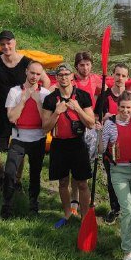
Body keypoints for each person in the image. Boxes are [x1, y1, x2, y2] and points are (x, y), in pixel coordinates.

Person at [0, 30, 51, 182]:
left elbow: (46, 81)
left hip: (21, 112)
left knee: (19, 151)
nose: (6, 47)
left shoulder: (26, 63)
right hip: (1, 113)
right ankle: (3, 173)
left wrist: (42, 101)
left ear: (15, 43)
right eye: (2, 44)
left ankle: (16, 180)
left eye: (9, 43)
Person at [42, 62, 96, 224]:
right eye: (60, 75)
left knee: (82, 183)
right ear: (56, 78)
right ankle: (67, 214)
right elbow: (45, 128)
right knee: (63, 182)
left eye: (67, 74)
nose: (64, 78)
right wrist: (57, 113)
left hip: (78, 144)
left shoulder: (83, 96)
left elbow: (91, 123)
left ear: (73, 76)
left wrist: (78, 109)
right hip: (59, 145)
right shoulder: (50, 100)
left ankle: (85, 217)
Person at [0, 60, 51, 219]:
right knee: (9, 173)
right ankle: (6, 208)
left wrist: (36, 101)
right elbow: (12, 118)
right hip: (18, 139)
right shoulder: (14, 92)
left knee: (35, 174)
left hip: (38, 139)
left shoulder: (45, 95)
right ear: (26, 72)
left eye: (38, 74)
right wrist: (23, 100)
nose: (34, 76)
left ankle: (33, 206)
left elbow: (45, 123)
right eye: (32, 73)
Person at [100, 90, 131, 260]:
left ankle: (128, 232)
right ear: (117, 107)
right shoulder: (110, 124)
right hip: (119, 170)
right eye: (122, 107)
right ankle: (127, 252)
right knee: (127, 208)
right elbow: (102, 148)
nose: (125, 111)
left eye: (128, 107)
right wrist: (100, 132)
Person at [98, 63, 131, 223]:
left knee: (129, 184)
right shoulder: (104, 96)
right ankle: (115, 208)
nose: (120, 78)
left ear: (127, 78)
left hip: (129, 148)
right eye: (117, 74)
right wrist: (102, 121)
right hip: (111, 147)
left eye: (123, 75)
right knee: (111, 181)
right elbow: (97, 117)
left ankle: (128, 212)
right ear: (112, 75)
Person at [70, 51, 103, 215]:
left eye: (88, 64)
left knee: (86, 164)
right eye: (82, 65)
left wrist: (99, 116)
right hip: (75, 126)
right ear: (76, 66)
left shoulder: (96, 79)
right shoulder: (72, 81)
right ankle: (74, 198)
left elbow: (103, 96)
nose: (85, 68)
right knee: (75, 163)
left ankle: (85, 195)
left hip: (90, 126)